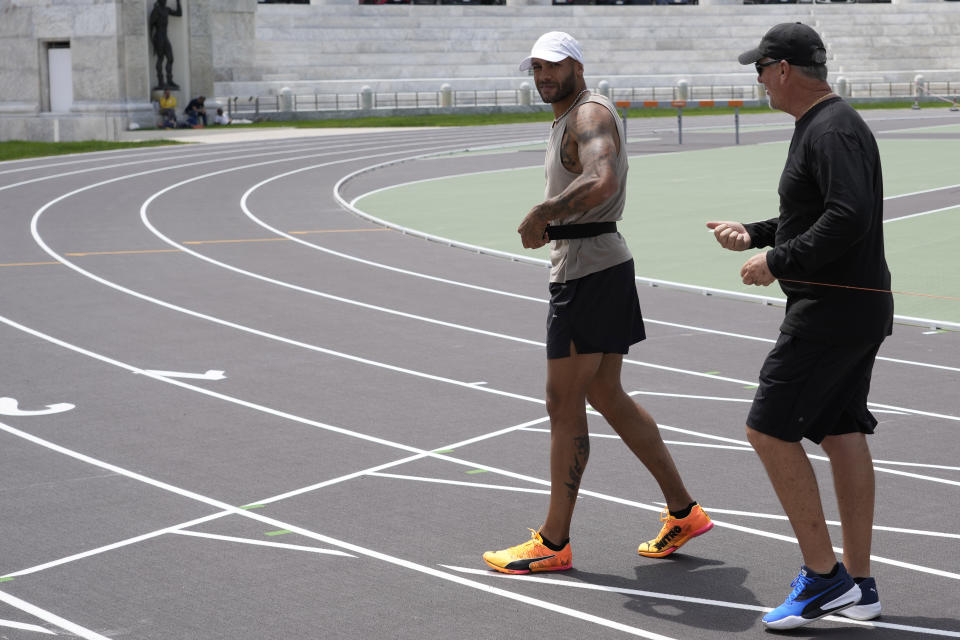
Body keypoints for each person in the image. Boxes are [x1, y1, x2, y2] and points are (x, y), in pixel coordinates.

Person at [482, 31, 712, 575]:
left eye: (553, 66)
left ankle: (553, 541)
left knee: (563, 406)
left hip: (588, 272)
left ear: (577, 67)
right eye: (535, 67)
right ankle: (685, 511)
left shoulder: (588, 115)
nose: (543, 76)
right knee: (606, 392)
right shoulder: (572, 115)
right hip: (597, 265)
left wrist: (545, 212)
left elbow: (602, 178)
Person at [707, 22, 891, 630]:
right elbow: (812, 212)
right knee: (839, 433)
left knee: (768, 429)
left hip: (830, 311)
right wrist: (757, 234)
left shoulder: (831, 128)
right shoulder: (827, 125)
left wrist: (775, 260)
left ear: (782, 68)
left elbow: (848, 215)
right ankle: (858, 586)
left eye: (758, 71)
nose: (757, 82)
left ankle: (823, 577)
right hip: (853, 307)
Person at [148, 0, 182, 90]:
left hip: (165, 36)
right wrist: (152, 40)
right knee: (160, 58)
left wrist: (178, 2)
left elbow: (179, 14)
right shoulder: (156, 10)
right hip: (158, 37)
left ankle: (169, 80)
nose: (165, 1)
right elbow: (150, 25)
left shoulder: (166, 9)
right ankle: (160, 81)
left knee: (170, 58)